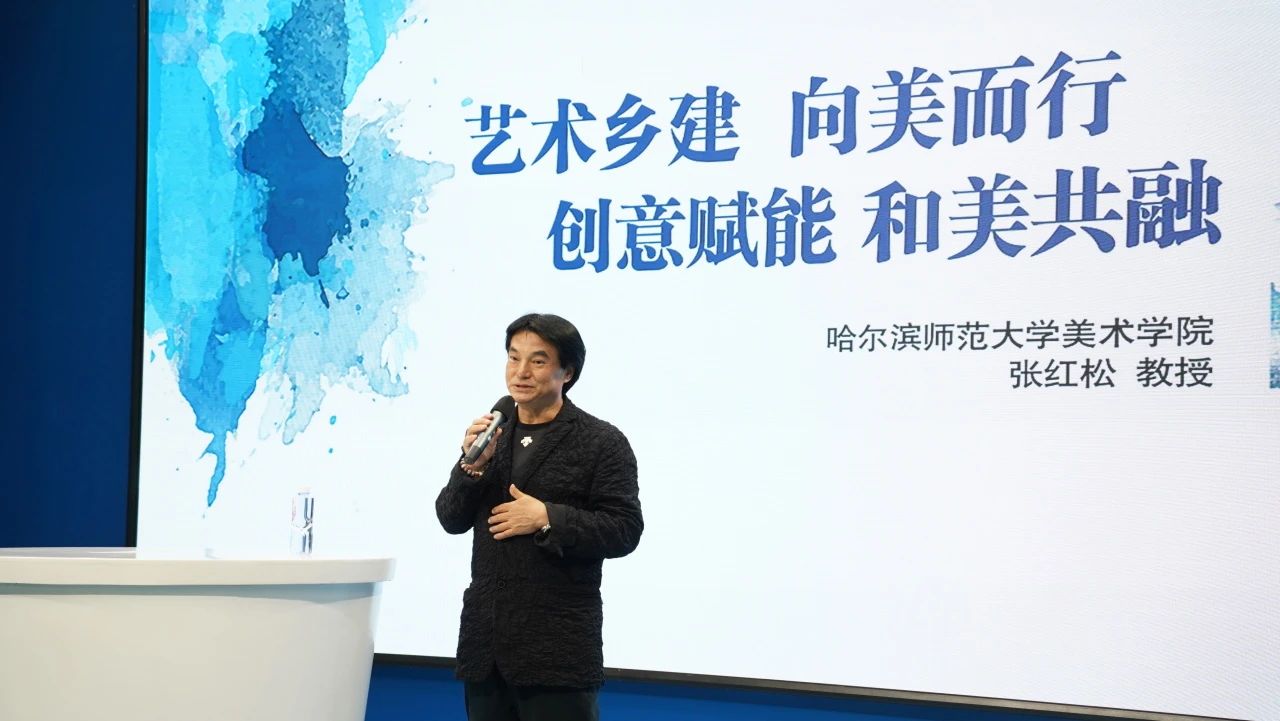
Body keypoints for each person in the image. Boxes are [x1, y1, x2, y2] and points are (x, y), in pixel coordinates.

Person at [436, 313, 643, 721]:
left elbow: (625, 529)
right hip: (486, 650)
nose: (521, 372)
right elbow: (450, 518)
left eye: (538, 360)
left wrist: (547, 517)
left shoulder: (601, 441)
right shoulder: (492, 435)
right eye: (513, 358)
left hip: (557, 652)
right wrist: (472, 467)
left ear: (568, 371)